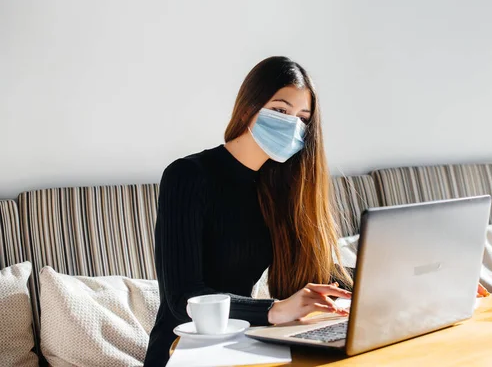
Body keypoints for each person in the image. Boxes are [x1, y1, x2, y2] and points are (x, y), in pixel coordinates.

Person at [144, 56, 353, 366]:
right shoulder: (187, 176)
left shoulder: (282, 188)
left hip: (245, 344)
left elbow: (318, 269)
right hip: (183, 350)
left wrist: (367, 293)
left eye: (303, 118)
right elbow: (182, 297)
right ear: (247, 108)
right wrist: (273, 310)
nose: (293, 125)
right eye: (281, 111)